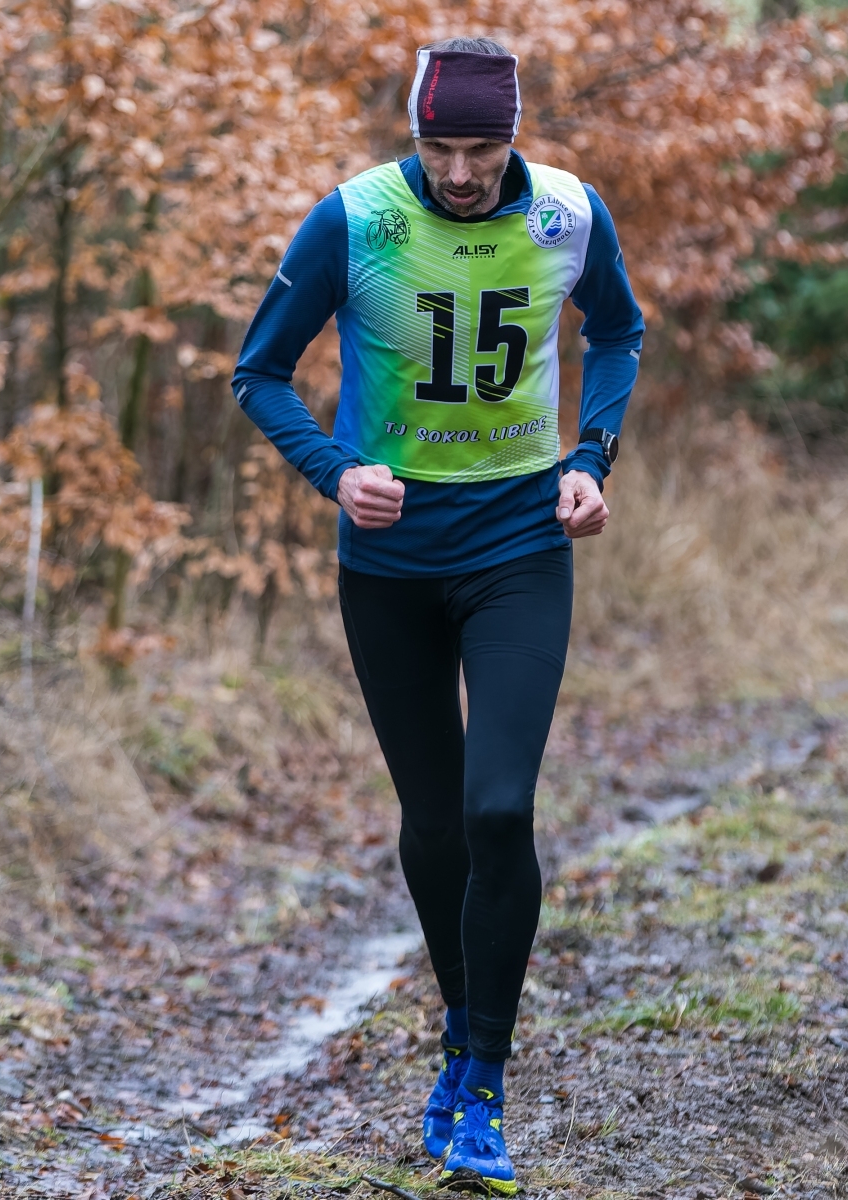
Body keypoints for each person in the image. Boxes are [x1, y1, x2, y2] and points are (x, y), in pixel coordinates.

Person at [232, 36, 644, 1196]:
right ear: (413, 136)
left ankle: (484, 1089)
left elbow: (618, 331)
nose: (459, 172)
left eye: (480, 148)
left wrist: (591, 456)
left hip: (520, 549)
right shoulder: (355, 221)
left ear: (513, 137)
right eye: (437, 147)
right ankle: (462, 1030)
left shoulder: (568, 214)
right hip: (392, 563)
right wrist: (333, 472)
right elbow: (258, 372)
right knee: (436, 820)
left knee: (499, 806)